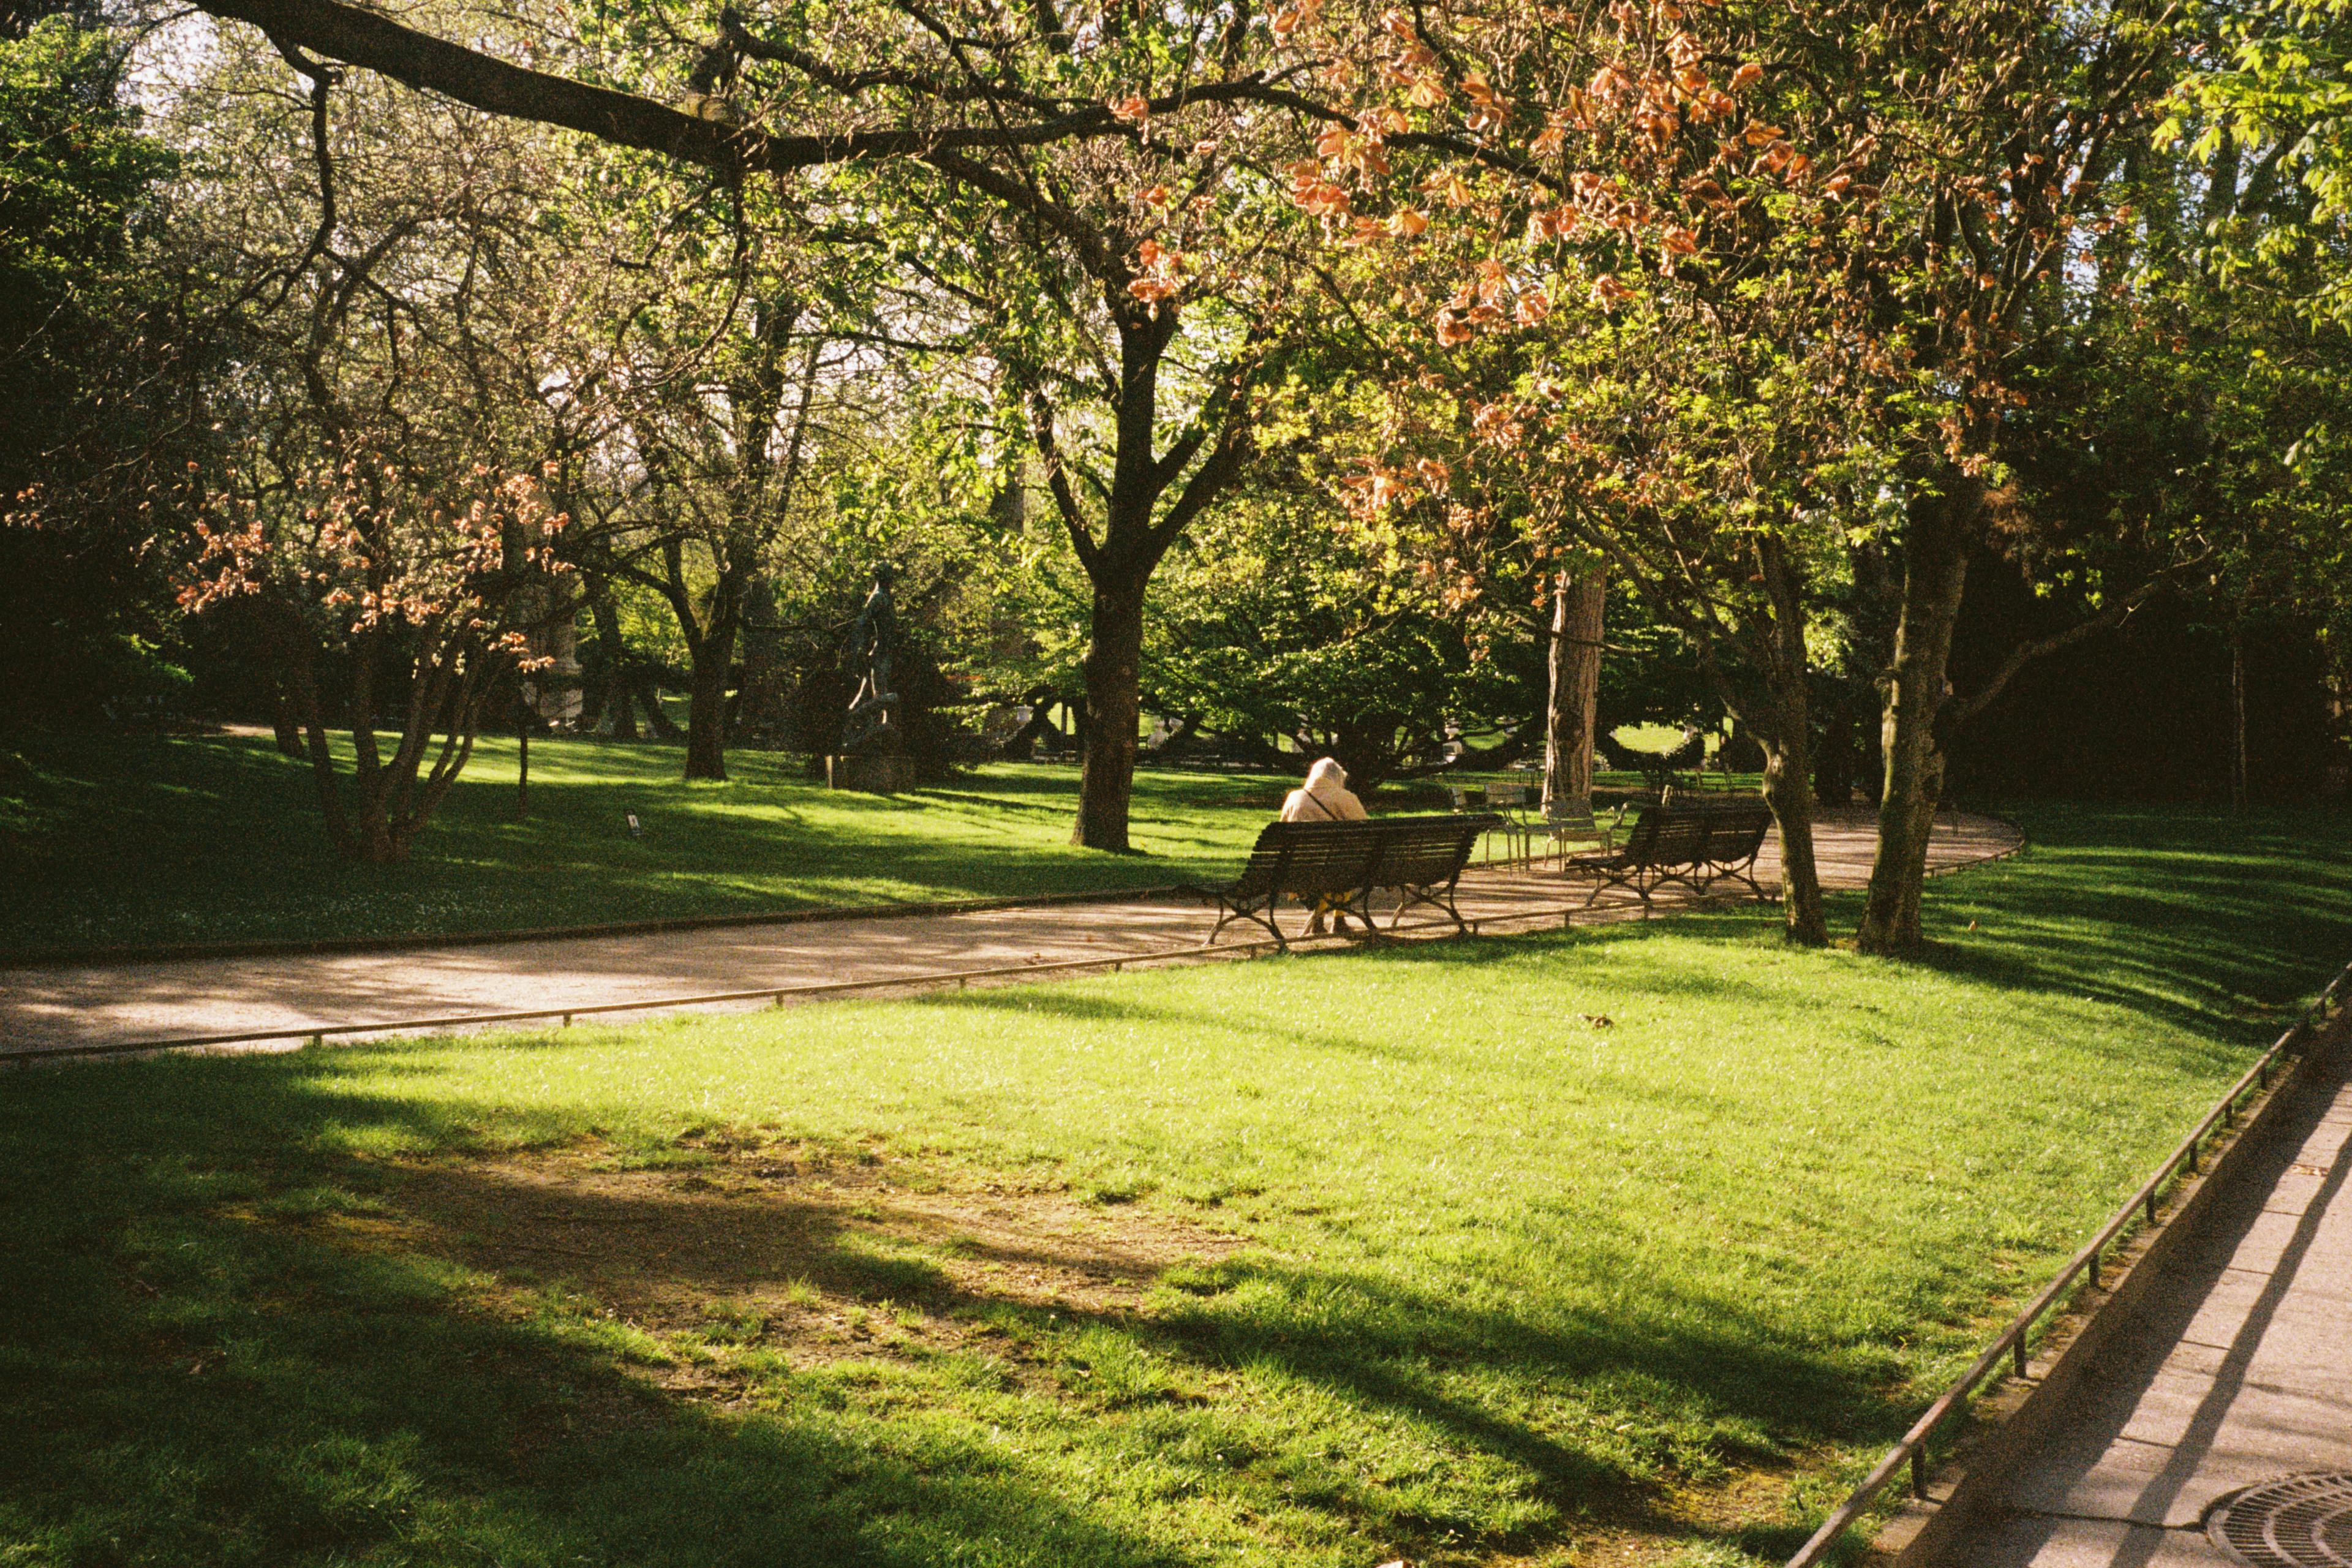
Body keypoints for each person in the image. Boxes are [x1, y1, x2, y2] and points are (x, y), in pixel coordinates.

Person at [1280, 758, 1368, 934]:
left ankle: (1319, 920)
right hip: (1338, 867)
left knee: (1327, 864)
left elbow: (1282, 831)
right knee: (1341, 862)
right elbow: (1366, 830)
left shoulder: (1294, 797)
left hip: (1300, 866)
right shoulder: (1346, 798)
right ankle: (1339, 919)